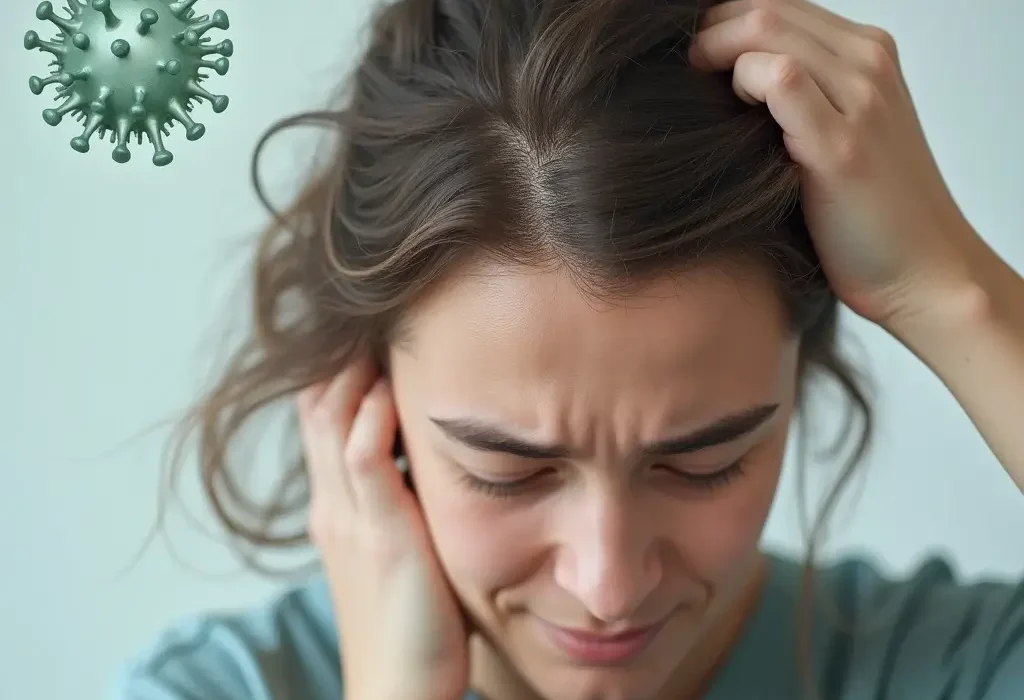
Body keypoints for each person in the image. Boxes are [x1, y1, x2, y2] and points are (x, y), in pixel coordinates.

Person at [111, 0, 1024, 698]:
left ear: (801, 369)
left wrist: (950, 292)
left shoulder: (947, 669)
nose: (609, 584)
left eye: (705, 461)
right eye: (506, 471)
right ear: (366, 402)